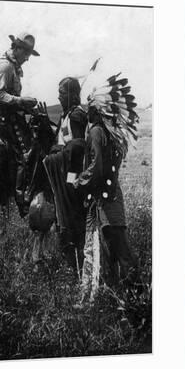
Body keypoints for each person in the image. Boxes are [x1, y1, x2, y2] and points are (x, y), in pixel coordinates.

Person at [74, 75, 138, 301]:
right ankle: (121, 295)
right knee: (113, 246)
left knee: (117, 247)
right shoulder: (109, 133)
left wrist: (79, 180)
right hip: (111, 197)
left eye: (90, 106)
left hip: (104, 200)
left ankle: (134, 295)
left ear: (98, 110)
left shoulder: (96, 132)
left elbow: (97, 168)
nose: (87, 110)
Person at [0, 32, 40, 216]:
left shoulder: (12, 66)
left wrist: (26, 107)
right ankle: (21, 199)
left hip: (12, 115)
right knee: (25, 154)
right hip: (6, 119)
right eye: (25, 53)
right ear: (16, 48)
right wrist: (21, 101)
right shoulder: (5, 66)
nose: (27, 58)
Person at [43, 77, 88, 270]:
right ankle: (72, 265)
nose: (59, 96)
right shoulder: (67, 114)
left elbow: (77, 148)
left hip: (73, 175)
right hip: (65, 173)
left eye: (62, 93)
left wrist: (55, 156)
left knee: (72, 221)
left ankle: (77, 265)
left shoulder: (77, 116)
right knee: (66, 221)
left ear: (72, 94)